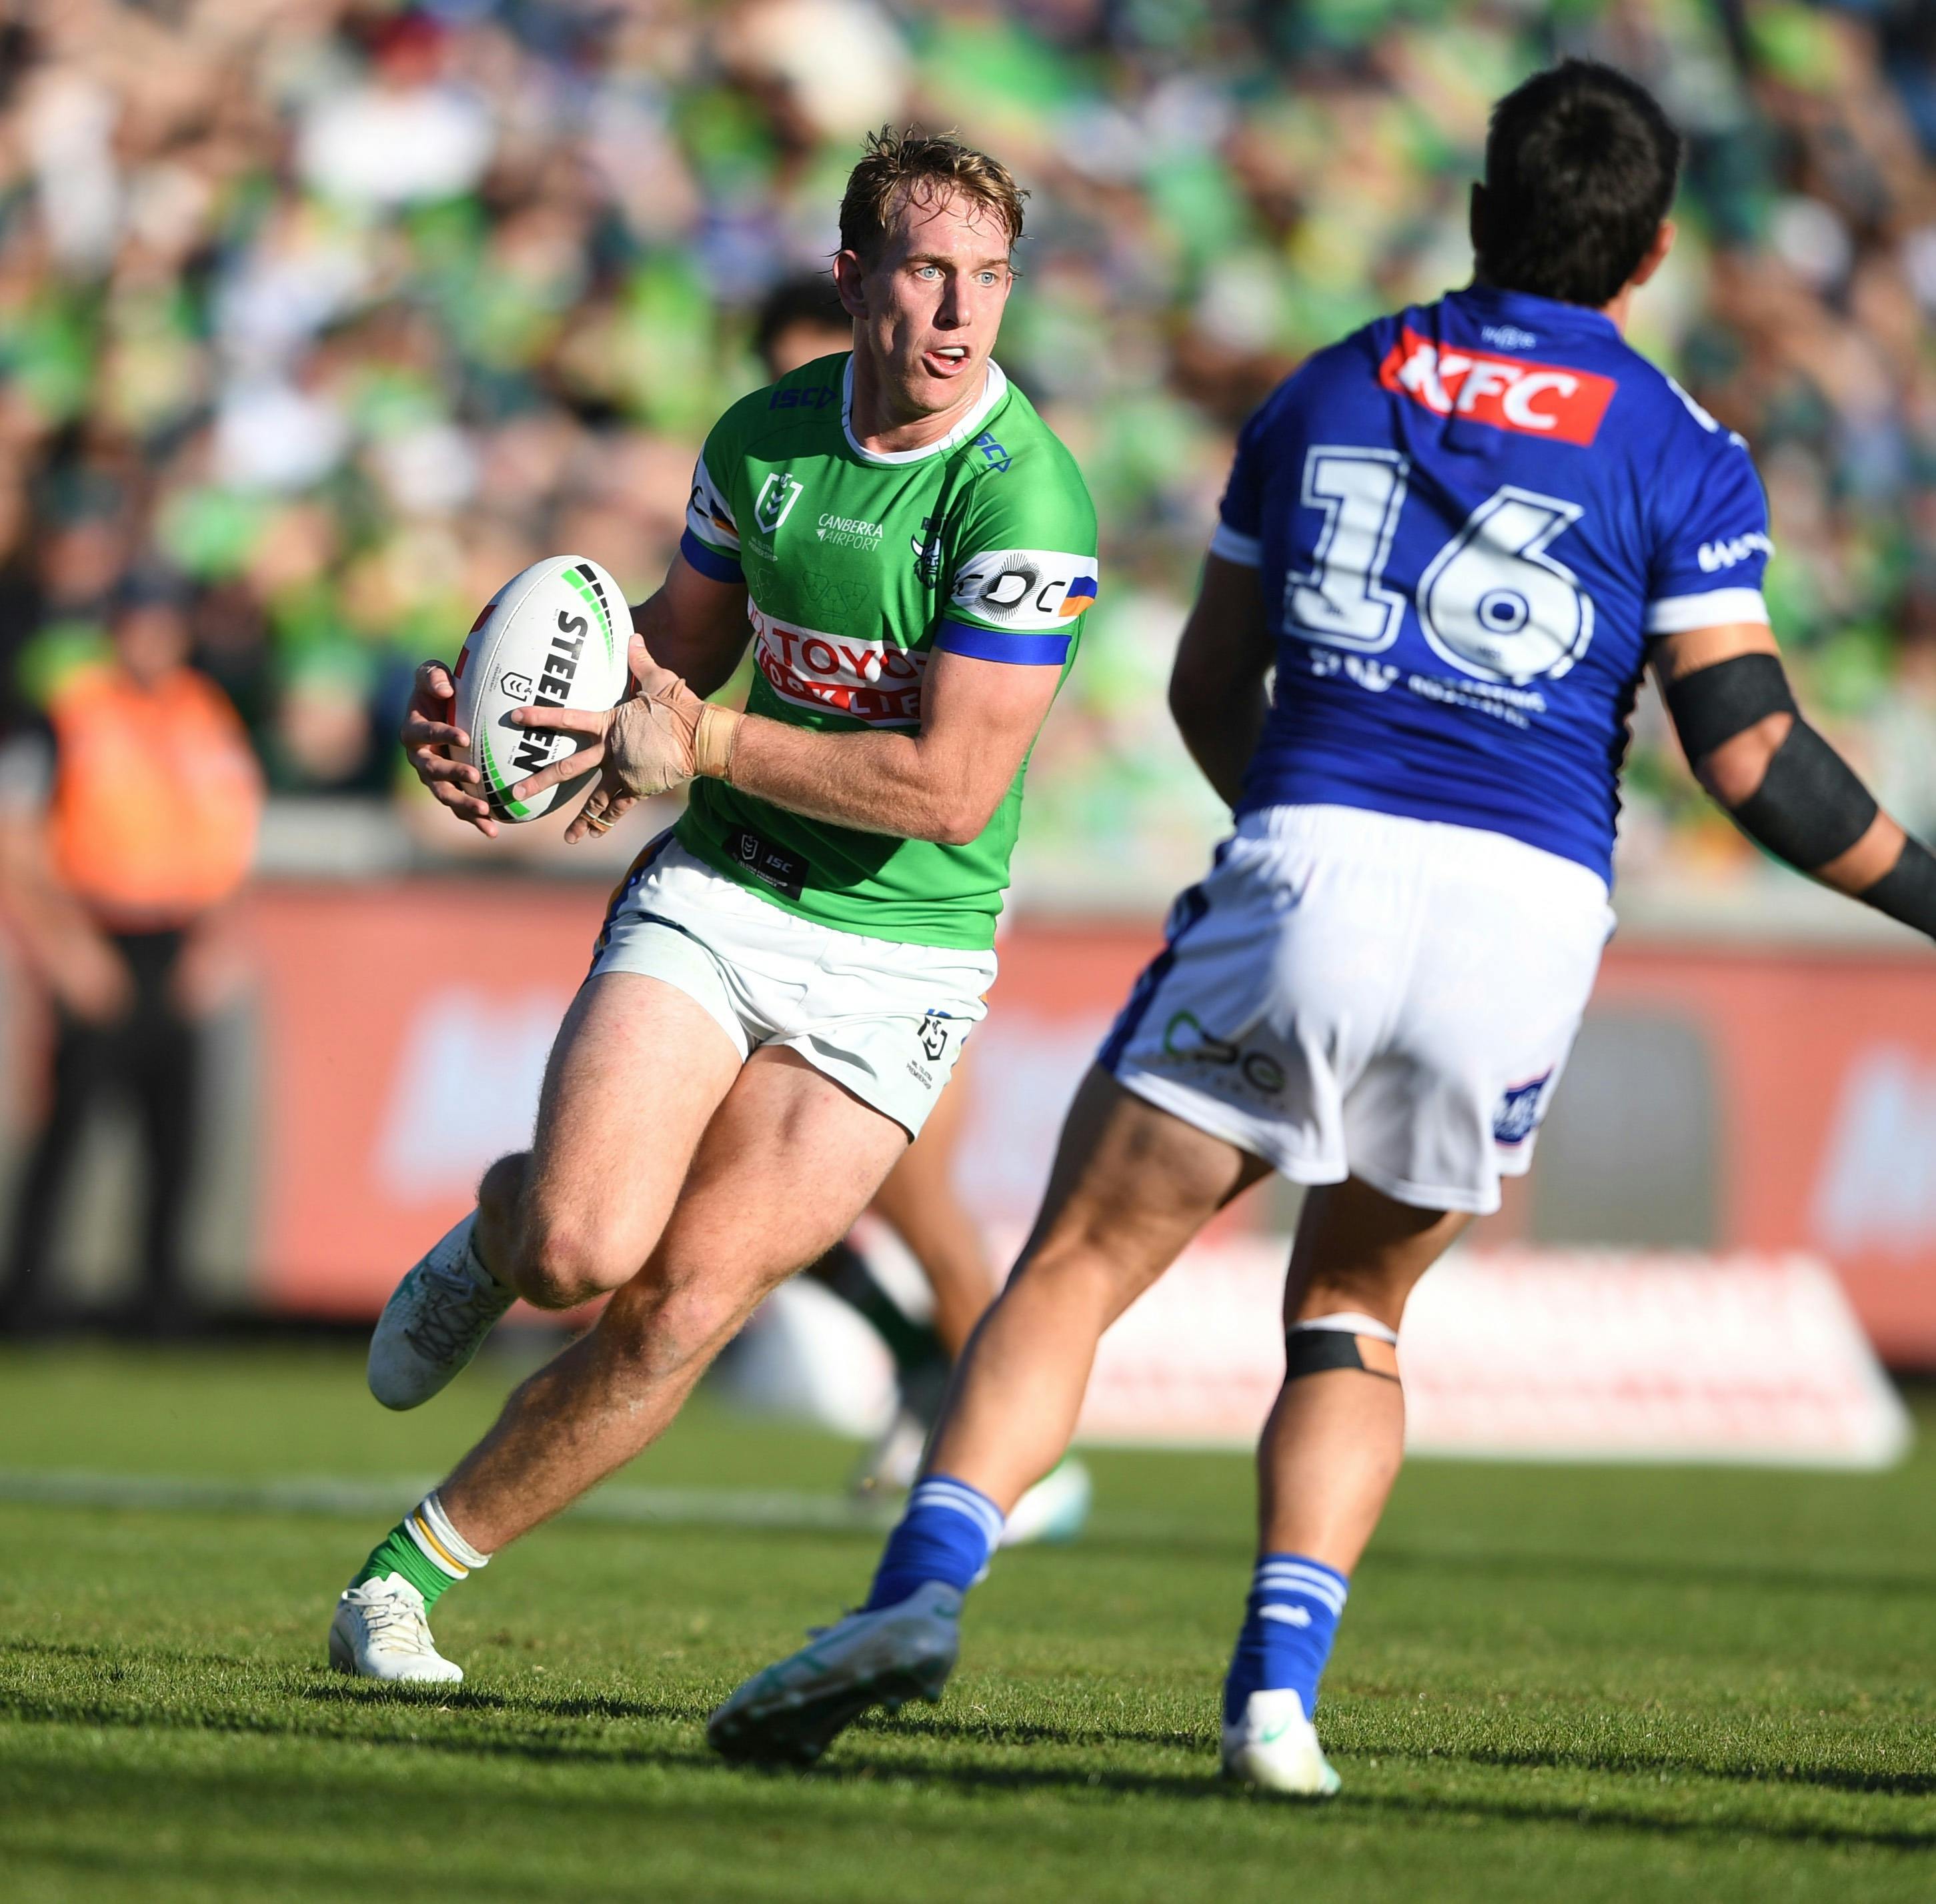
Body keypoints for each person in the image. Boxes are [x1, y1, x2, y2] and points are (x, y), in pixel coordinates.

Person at [708, 62, 1936, 1791]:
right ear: (1650, 251)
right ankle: (1271, 1698)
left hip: (1315, 845)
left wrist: (1290, 848)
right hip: (1524, 911)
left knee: (1072, 1264)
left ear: (1471, 210)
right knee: (1351, 1311)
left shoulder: (1326, 388)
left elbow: (1211, 679)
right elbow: (1748, 755)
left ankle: (920, 1585)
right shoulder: (1677, 442)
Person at [327, 128, 1100, 1683]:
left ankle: (398, 1585)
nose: (958, 312)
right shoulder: (759, 439)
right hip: (724, 892)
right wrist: (523, 745)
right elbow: (671, 653)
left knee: (680, 1306)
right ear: (851, 278)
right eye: (926, 271)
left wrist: (706, 741)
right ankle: (499, 1223)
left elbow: (948, 790)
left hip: (900, 956)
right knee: (574, 1246)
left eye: (989, 277)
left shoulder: (1028, 504)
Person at [752, 270, 1088, 1532]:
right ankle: (924, 1366)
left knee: (911, 1193)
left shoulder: (990, 483)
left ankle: (1019, 1455)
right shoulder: (781, 468)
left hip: (914, 890)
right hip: (781, 868)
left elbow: (959, 754)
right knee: (748, 1179)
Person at [0, 568, 262, 1334]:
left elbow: (231, 836)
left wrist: (219, 944)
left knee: (176, 1135)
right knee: (68, 1128)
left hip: (179, 939)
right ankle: (29, 1305)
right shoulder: (73, 712)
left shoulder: (203, 714)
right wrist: (67, 949)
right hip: (97, 929)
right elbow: (19, 836)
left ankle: (161, 1308)